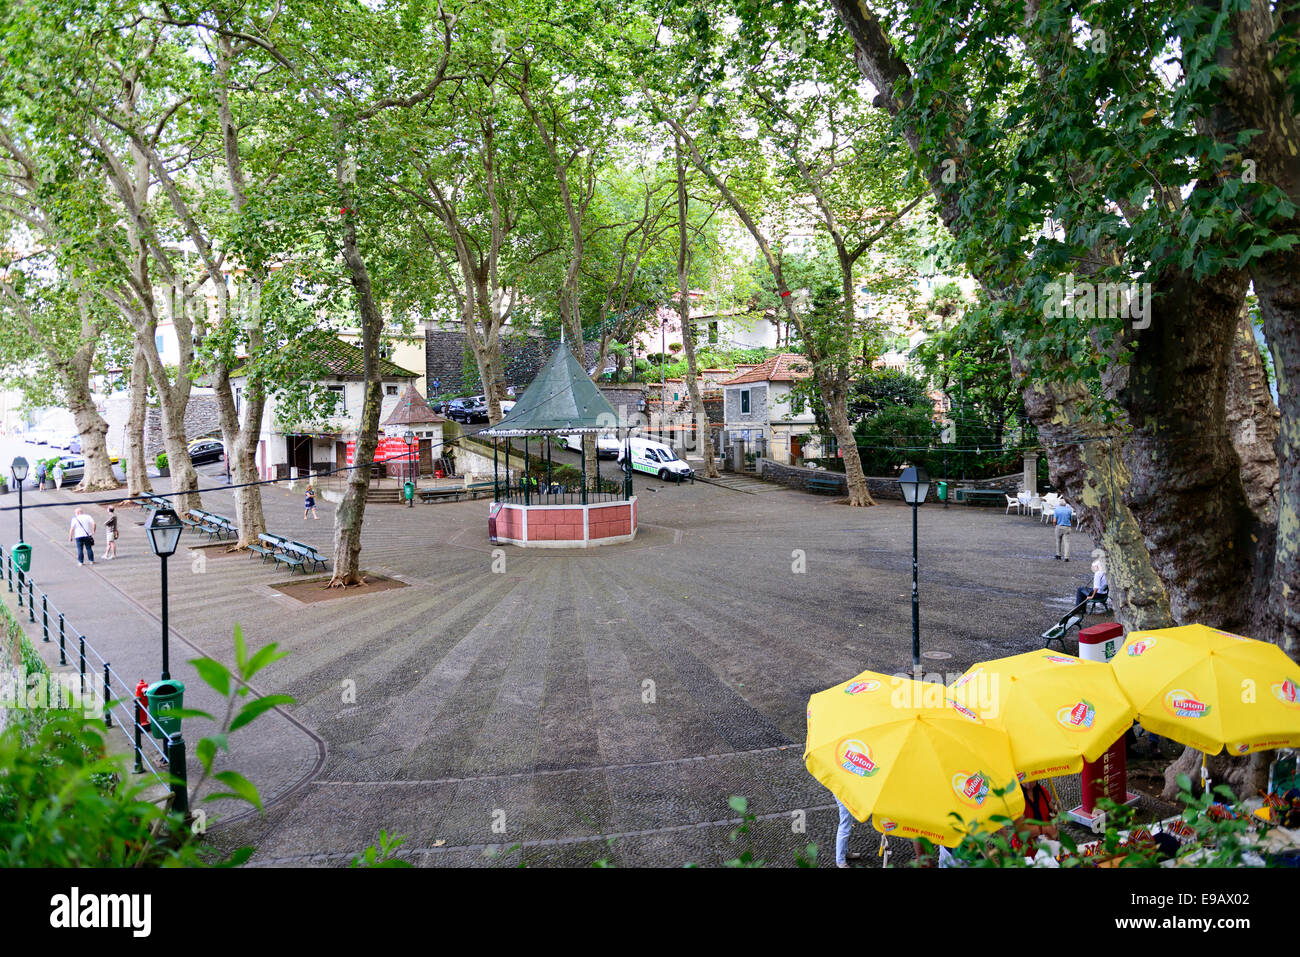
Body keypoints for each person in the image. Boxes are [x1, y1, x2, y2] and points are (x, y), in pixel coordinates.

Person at [833, 796, 862, 868]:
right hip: (844, 793)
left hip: (844, 792)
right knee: (845, 825)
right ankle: (840, 861)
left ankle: (844, 853)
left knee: (846, 823)